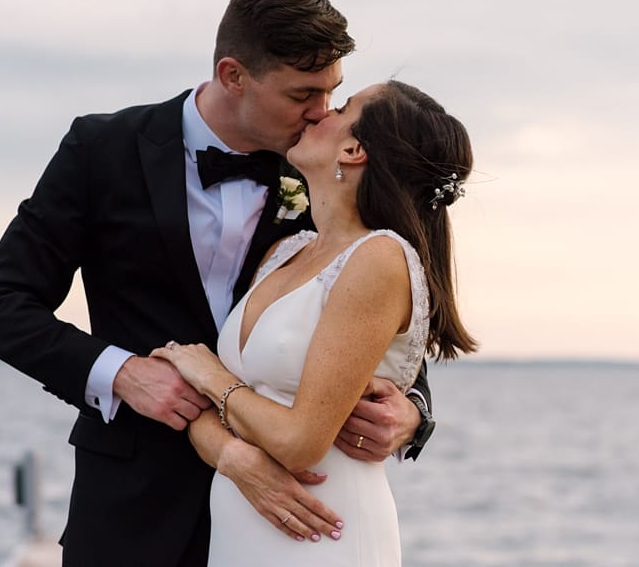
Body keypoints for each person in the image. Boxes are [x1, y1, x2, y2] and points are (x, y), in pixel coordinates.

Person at [0, 0, 433, 567]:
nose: (321, 115)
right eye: (301, 96)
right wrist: (123, 373)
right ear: (233, 76)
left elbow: (380, 301)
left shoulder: (323, 171)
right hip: (133, 508)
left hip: (295, 517)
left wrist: (414, 410)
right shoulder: (101, 150)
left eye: (331, 92)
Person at [152, 79, 478, 566]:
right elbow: (219, 409)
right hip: (243, 525)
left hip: (324, 530)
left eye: (342, 107)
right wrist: (228, 450)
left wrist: (210, 376)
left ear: (353, 149)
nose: (319, 112)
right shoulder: (286, 251)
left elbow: (300, 443)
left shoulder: (378, 258)